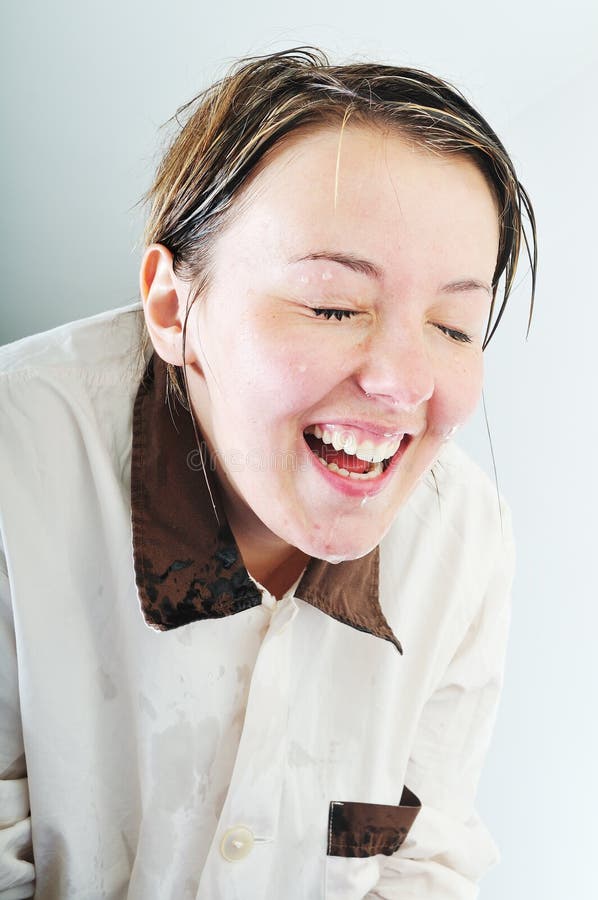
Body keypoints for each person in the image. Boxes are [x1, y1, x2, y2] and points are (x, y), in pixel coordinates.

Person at [0, 47, 536, 899]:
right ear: (175, 308)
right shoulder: (16, 464)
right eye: (333, 305)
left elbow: (420, 861)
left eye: (454, 325)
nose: (402, 384)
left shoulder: (464, 538)